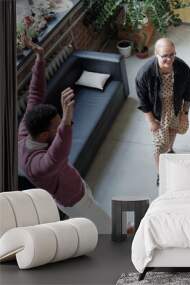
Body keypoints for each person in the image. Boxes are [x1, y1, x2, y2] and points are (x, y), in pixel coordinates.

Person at [18, 37, 111, 234]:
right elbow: (57, 154)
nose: (61, 125)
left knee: (92, 205)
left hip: (75, 184)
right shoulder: (36, 167)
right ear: (44, 135)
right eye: (57, 125)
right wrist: (67, 118)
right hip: (73, 199)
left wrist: (39, 57)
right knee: (105, 227)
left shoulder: (26, 130)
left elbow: (34, 94)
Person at [135, 38, 190, 184]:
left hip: (174, 107)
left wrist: (184, 114)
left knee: (174, 129)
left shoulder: (183, 68)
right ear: (156, 54)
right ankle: (160, 173)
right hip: (157, 112)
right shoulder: (144, 73)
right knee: (158, 146)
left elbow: (188, 93)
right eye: (165, 56)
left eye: (172, 54)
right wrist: (150, 120)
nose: (169, 59)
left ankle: (170, 150)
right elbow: (142, 99)